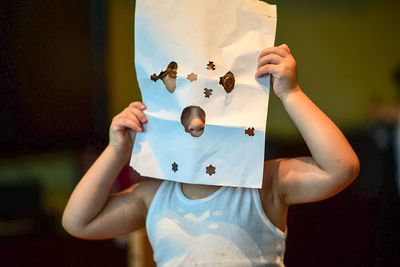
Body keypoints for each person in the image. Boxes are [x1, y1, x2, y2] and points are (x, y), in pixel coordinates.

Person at [62, 44, 359, 266]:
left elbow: (341, 168)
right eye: (184, 111)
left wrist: (292, 94)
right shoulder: (153, 196)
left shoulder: (263, 184)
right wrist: (116, 152)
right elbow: (78, 222)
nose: (196, 124)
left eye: (210, 108)